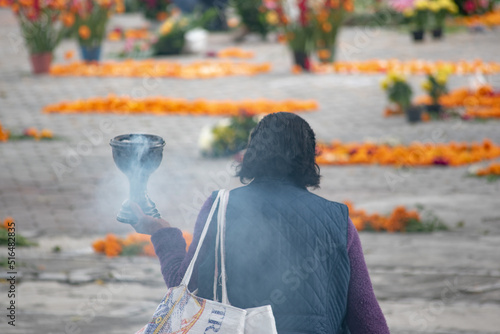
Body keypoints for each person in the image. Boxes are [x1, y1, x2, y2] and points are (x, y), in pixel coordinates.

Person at [131, 112, 390, 333]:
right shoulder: (338, 220)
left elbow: (183, 287)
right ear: (311, 157)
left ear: (252, 153)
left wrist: (161, 232)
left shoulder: (220, 207)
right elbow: (367, 318)